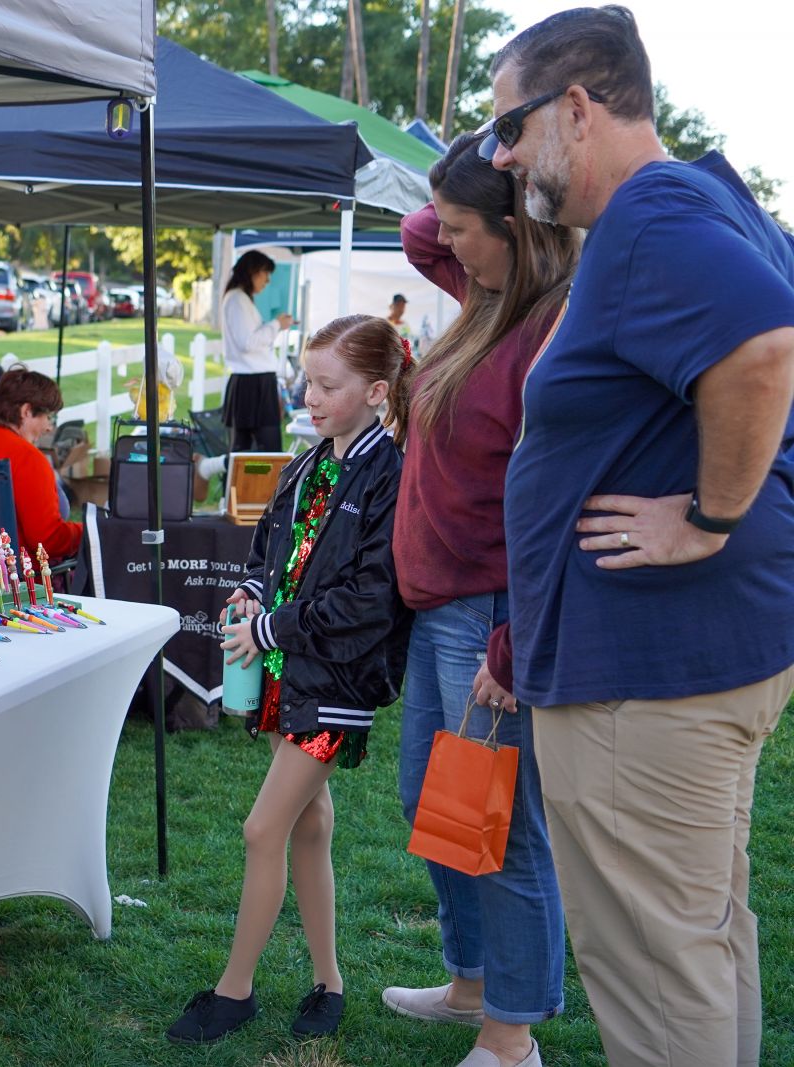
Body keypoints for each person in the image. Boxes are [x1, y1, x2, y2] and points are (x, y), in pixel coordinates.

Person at [485, 8, 794, 1065]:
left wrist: (708, 515)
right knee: (698, 941)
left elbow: (762, 350)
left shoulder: (654, 211)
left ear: (576, 107)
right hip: (684, 661)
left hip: (645, 674)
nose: (501, 155)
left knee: (661, 973)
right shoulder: (703, 198)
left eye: (509, 127)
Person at [384, 132, 580, 1067]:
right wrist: (483, 168)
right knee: (433, 797)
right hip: (438, 603)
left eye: (469, 228)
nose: (445, 243)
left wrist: (513, 638)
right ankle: (469, 983)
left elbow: (553, 505)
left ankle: (512, 1034)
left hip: (490, 606)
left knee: (496, 821)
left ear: (517, 230)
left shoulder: (547, 323)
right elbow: (424, 231)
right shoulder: (488, 294)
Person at [165, 315, 413, 1045]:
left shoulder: (389, 476)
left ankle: (234, 990)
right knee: (309, 825)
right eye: (308, 379)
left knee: (262, 827)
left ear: (375, 390)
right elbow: (269, 540)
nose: (310, 395)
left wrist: (268, 628)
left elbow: (373, 599)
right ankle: (329, 983)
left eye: (328, 385)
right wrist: (249, 590)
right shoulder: (309, 464)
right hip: (294, 676)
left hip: (339, 684)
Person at [0, 365, 81, 561]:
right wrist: (90, 531)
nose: (49, 427)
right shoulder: (28, 458)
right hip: (22, 581)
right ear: (27, 411)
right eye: (48, 417)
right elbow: (48, 541)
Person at [220, 250, 294, 452]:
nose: (268, 280)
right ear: (252, 271)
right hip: (251, 382)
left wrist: (275, 325)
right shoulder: (237, 299)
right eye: (265, 273)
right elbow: (248, 343)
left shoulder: (241, 298)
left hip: (255, 381)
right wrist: (276, 324)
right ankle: (246, 484)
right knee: (258, 451)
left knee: (257, 450)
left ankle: (256, 484)